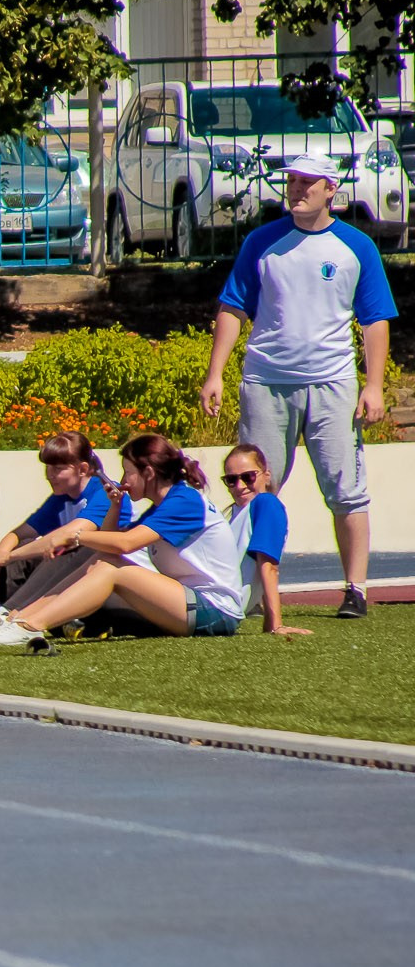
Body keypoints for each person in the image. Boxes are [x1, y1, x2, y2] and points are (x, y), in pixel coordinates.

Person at [200, 150, 396, 620]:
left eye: (308, 182)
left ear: (331, 189)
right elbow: (233, 307)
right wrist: (215, 373)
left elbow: (375, 320)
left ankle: (355, 589)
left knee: (346, 491)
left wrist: (373, 385)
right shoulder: (262, 242)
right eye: (292, 181)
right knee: (255, 488)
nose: (297, 189)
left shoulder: (356, 247)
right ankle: (248, 590)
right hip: (266, 382)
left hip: (332, 384)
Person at [0, 434, 246, 650]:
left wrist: (75, 535)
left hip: (215, 611)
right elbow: (110, 544)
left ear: (148, 473)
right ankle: (18, 620)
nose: (124, 480)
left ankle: (30, 626)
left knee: (113, 568)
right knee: (104, 561)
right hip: (189, 605)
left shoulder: (184, 501)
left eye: (128, 472)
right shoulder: (163, 506)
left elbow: (126, 544)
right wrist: (114, 508)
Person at [0, 429, 135, 617]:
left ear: (82, 469)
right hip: (79, 576)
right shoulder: (62, 498)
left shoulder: (105, 493)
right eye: (47, 467)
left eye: (57, 468)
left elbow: (67, 536)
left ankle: (13, 614)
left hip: (117, 578)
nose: (49, 475)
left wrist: (8, 557)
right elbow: (18, 534)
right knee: (26, 546)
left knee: (67, 548)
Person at [222, 443, 309, 637]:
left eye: (248, 477)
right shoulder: (231, 515)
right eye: (231, 480)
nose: (240, 486)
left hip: (218, 607)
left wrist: (275, 625)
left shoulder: (266, 503)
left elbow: (268, 567)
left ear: (266, 475)